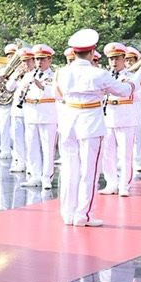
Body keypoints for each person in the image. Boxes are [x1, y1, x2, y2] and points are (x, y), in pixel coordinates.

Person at [55, 30, 131, 226]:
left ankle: (67, 212)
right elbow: (122, 91)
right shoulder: (99, 74)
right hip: (90, 122)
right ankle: (83, 214)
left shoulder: (62, 72)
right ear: (92, 52)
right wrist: (131, 84)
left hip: (68, 120)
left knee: (69, 170)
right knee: (89, 171)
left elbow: (58, 93)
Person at [99, 42, 141, 197]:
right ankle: (111, 182)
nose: (114, 62)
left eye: (117, 58)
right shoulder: (103, 76)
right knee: (108, 152)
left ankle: (124, 184)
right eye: (111, 59)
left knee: (126, 154)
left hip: (126, 115)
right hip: (108, 115)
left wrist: (127, 91)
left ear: (123, 59)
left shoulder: (132, 76)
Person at [21, 44, 57, 190]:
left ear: (49, 60)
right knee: (31, 146)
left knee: (48, 147)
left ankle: (47, 177)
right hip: (31, 112)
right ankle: (34, 175)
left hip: (47, 114)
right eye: (37, 59)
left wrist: (40, 85)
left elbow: (55, 92)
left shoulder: (54, 76)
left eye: (42, 59)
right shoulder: (29, 75)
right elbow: (21, 92)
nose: (39, 62)